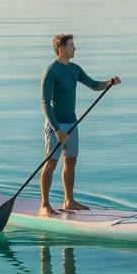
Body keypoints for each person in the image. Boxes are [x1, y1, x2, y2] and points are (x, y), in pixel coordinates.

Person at [40, 33, 120, 216]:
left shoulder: (75, 69)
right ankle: (44, 205)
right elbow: (45, 103)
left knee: (71, 161)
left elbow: (93, 85)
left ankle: (69, 200)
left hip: (72, 122)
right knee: (51, 163)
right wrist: (57, 129)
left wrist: (109, 82)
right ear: (61, 49)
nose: (74, 49)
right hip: (56, 124)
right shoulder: (51, 71)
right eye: (71, 46)